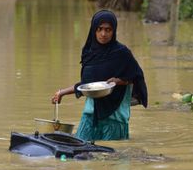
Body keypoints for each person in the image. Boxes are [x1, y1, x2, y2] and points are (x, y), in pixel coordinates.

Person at [51, 10, 147, 141]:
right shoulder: (88, 53)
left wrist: (118, 81)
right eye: (100, 29)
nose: (103, 34)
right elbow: (87, 84)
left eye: (108, 30)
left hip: (114, 117)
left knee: (111, 156)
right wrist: (61, 92)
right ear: (93, 30)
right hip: (90, 114)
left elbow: (135, 77)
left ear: (113, 31)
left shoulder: (122, 53)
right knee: (80, 147)